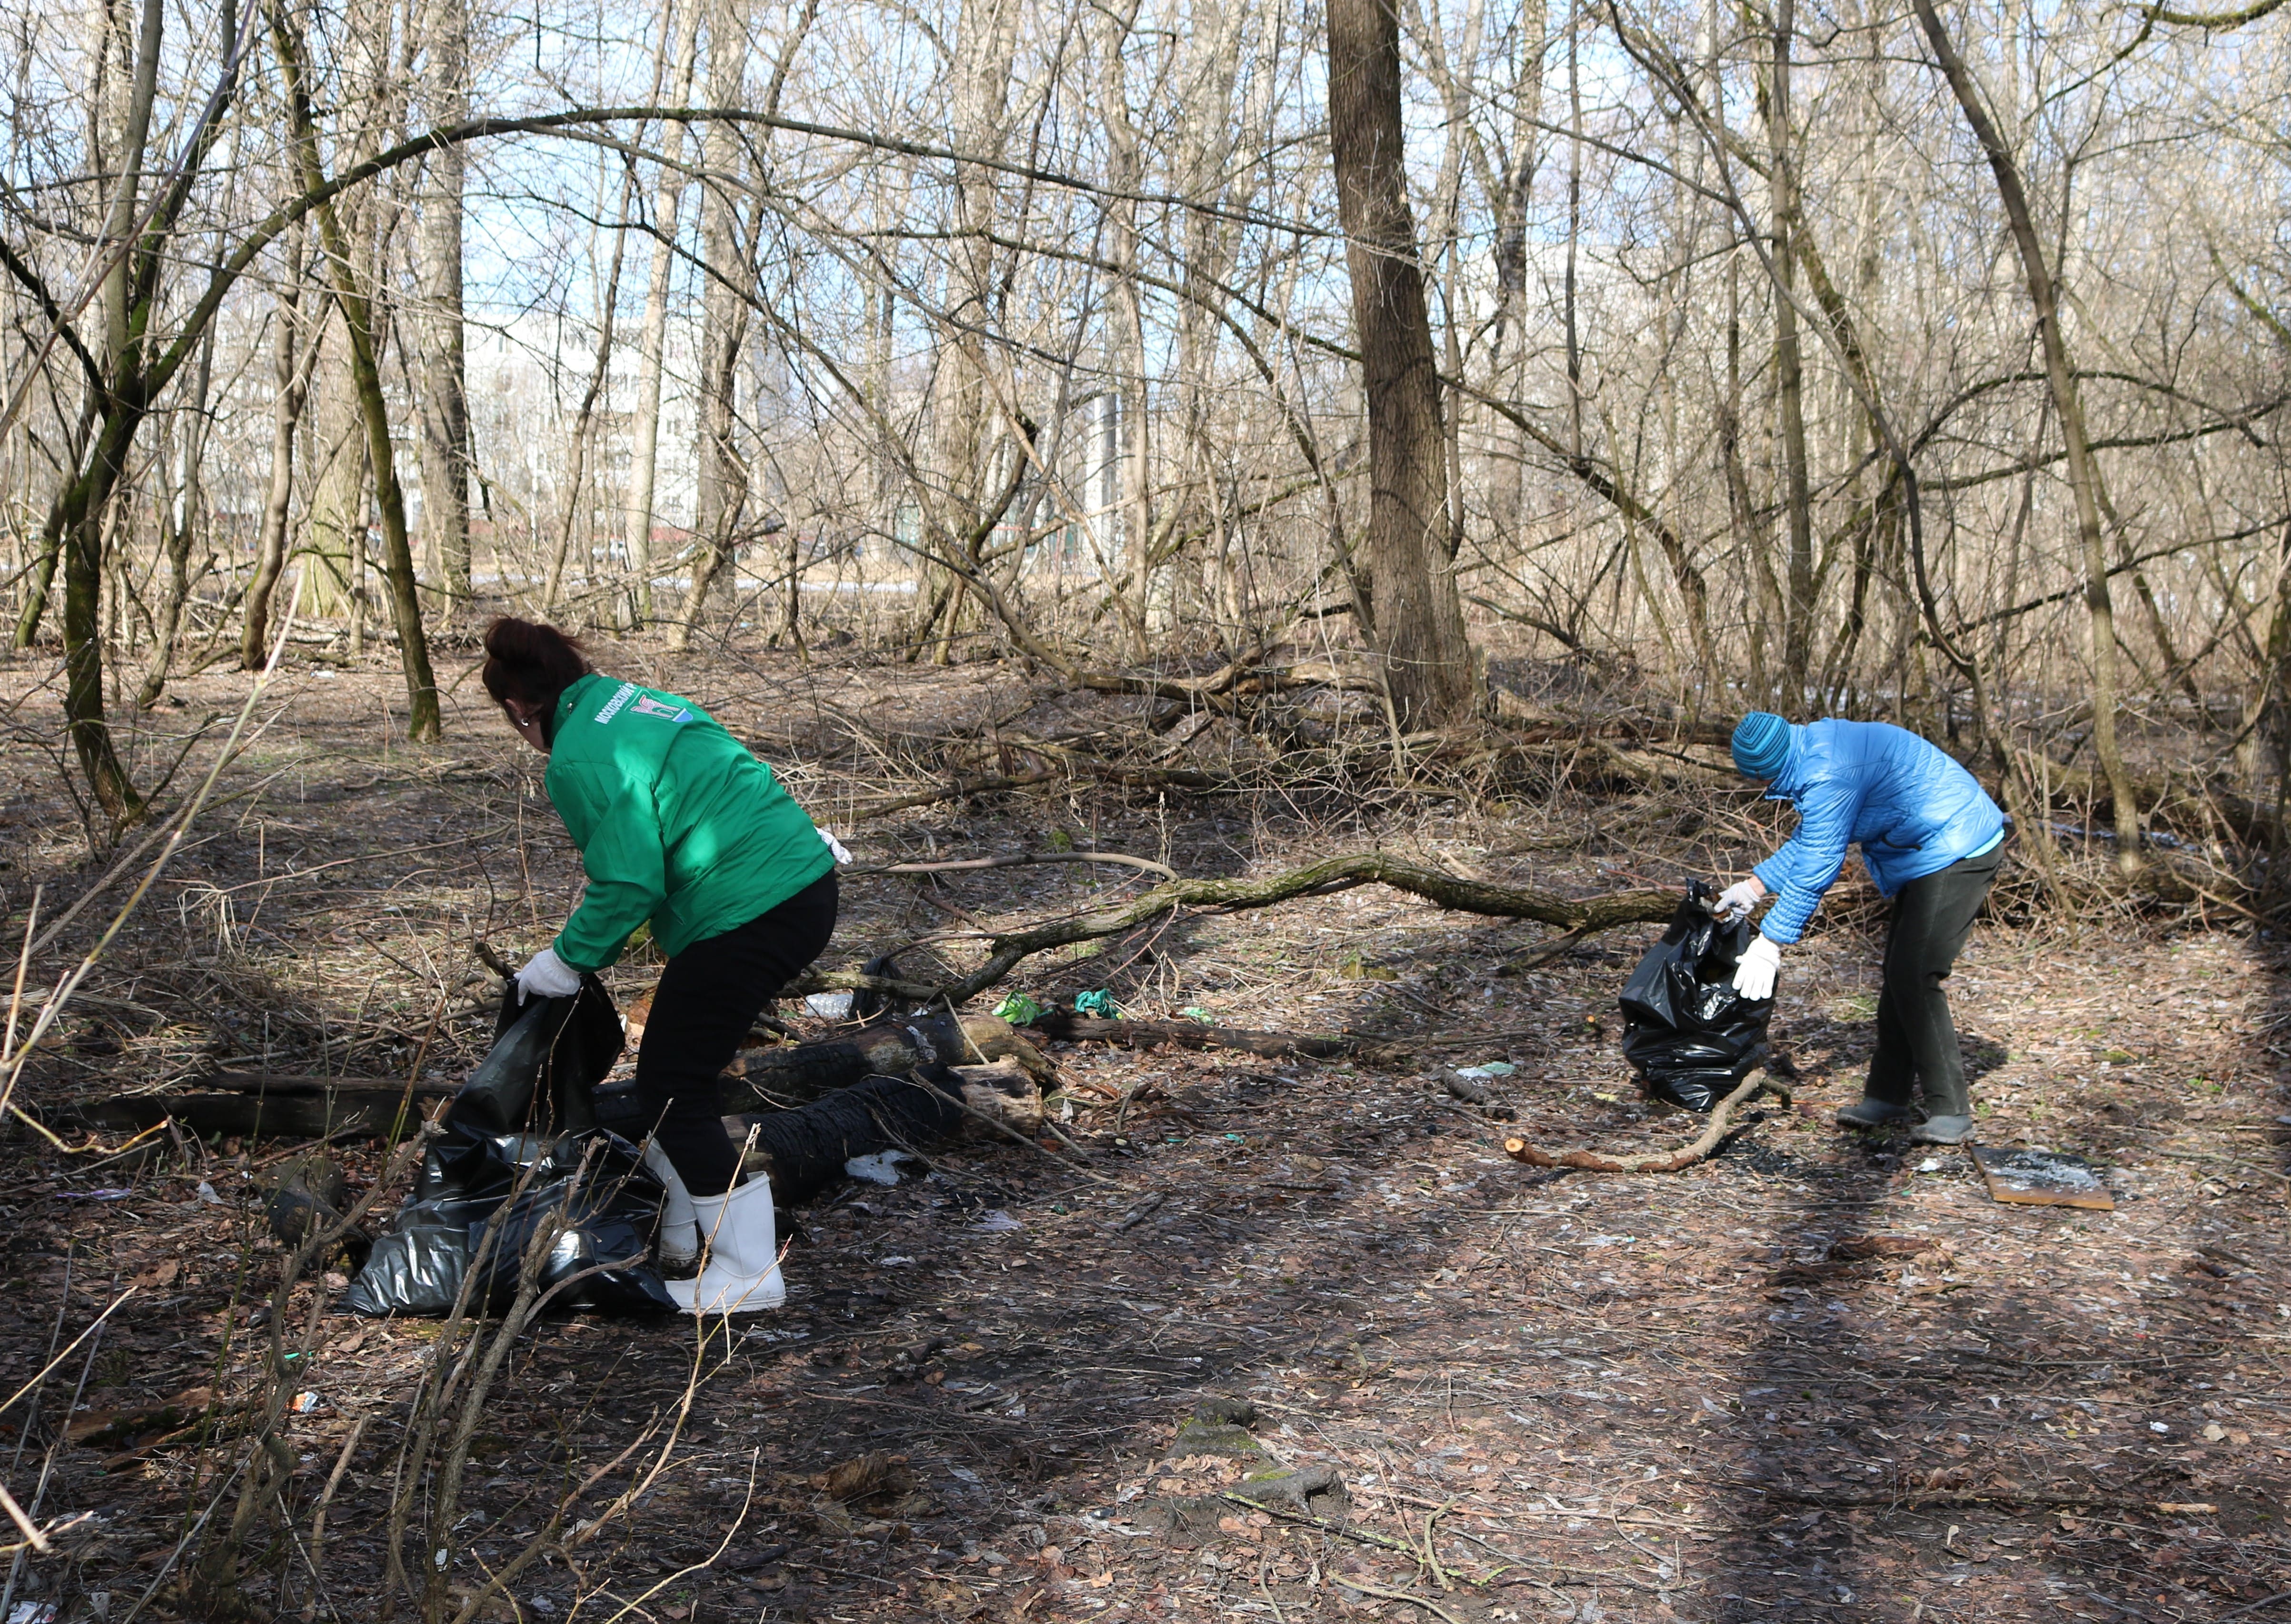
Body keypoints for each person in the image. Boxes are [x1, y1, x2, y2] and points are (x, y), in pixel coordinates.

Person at [481, 616, 842, 1313]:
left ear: (520, 709)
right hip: (799, 882)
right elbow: (720, 779)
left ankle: (748, 1274)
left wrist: (565, 961)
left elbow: (629, 883)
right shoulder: (637, 701)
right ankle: (681, 1237)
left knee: (672, 1088)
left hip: (754, 907)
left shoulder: (578, 756)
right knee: (679, 1079)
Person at [1715, 712, 2007, 1146]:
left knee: (1916, 975)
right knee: (1900, 974)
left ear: (1769, 768)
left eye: (1759, 780)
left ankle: (1951, 1111)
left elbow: (1819, 861)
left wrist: (1771, 941)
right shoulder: (1816, 752)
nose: (1761, 789)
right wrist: (1753, 888)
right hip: (1926, 849)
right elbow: (1812, 839)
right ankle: (1887, 1098)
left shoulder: (1830, 772)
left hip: (1959, 846)